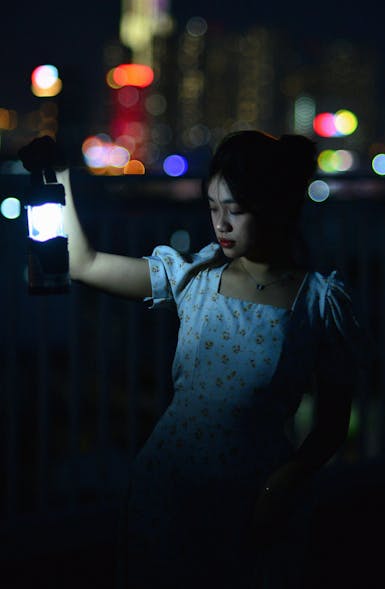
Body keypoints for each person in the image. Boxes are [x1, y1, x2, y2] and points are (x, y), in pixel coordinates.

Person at [19, 130, 363, 588]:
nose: (220, 224)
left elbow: (332, 423)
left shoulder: (321, 302)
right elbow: (83, 263)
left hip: (253, 497)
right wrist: (59, 176)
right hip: (167, 486)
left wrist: (285, 482)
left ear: (274, 206)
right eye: (213, 207)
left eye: (235, 211)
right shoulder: (192, 275)